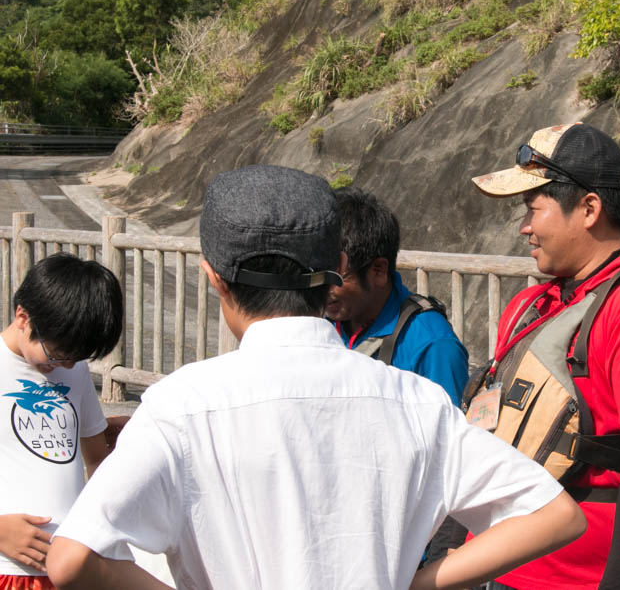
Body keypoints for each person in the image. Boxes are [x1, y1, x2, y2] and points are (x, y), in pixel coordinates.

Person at [45, 164, 586, 590]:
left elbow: (73, 559)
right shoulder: (414, 401)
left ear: (214, 278)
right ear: (336, 265)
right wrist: (415, 584)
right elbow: (555, 516)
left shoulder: (181, 406)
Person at [469, 123, 620, 590]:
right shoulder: (529, 307)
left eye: (532, 209)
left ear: (589, 209)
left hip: (578, 580)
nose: (525, 227)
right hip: (495, 565)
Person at [1, 253, 124, 588]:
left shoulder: (74, 371)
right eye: (56, 355)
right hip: (8, 569)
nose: (66, 367)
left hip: (71, 562)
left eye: (77, 358)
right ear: (23, 317)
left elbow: (96, 457)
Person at [327, 187, 469, 405]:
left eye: (337, 277)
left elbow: (446, 435)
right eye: (316, 272)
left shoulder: (433, 344)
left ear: (379, 270)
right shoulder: (319, 320)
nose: (323, 287)